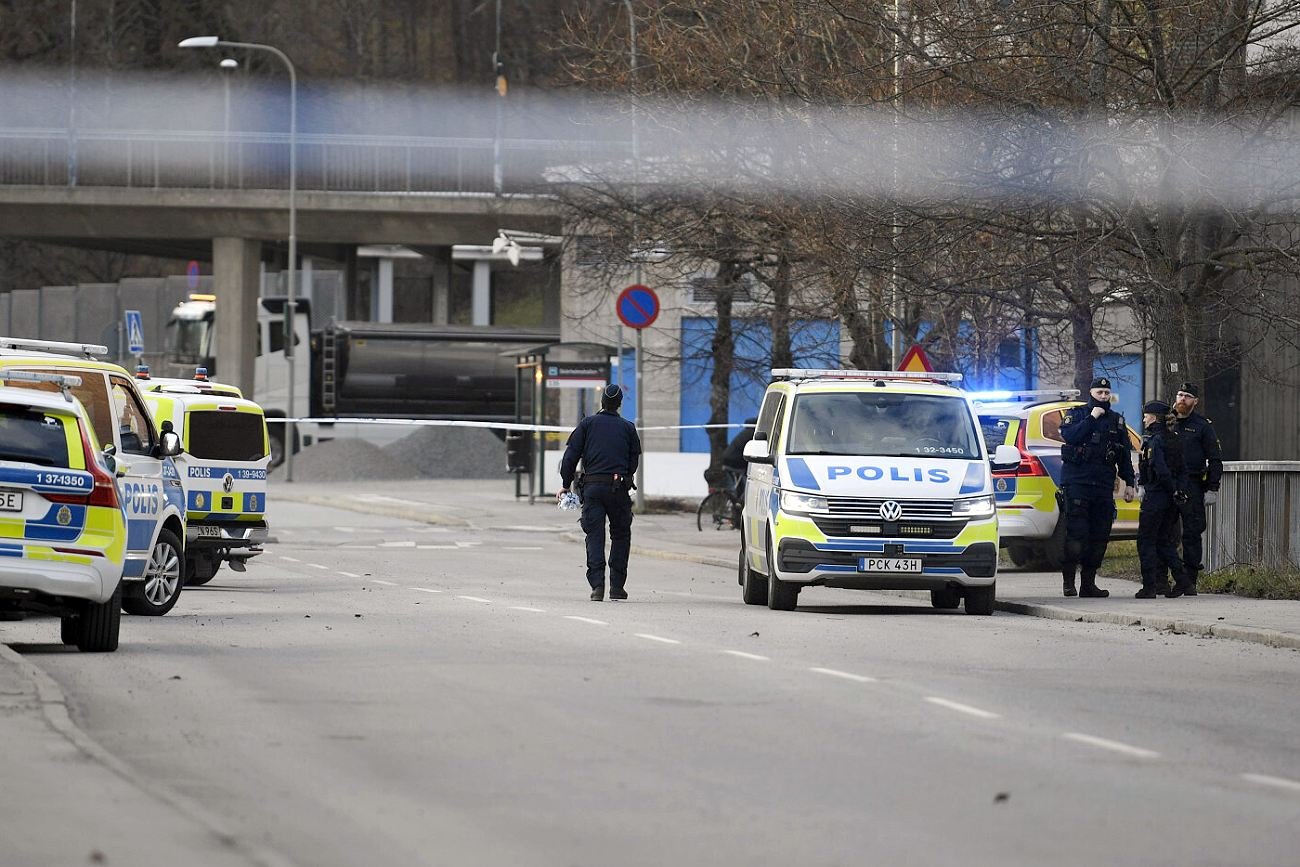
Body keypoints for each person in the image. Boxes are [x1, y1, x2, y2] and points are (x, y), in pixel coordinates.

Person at [558, 384, 642, 602]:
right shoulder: (628, 428)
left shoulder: (587, 424)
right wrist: (625, 475)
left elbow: (570, 458)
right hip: (619, 490)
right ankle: (617, 586)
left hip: (593, 489)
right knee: (621, 536)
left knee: (595, 536)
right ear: (620, 404)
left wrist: (566, 484)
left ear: (601, 403)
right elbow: (634, 460)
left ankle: (597, 586)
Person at [1058, 377, 1136, 598]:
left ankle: (1088, 584)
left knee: (1099, 536)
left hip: (1102, 486)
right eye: (1099, 392)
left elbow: (1123, 455)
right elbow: (1070, 435)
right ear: (1091, 393)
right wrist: (1091, 419)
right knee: (1076, 535)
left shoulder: (1116, 421)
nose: (1103, 397)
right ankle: (1068, 582)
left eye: (1106, 393)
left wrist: (1129, 482)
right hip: (1077, 484)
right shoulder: (1078, 414)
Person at [1170, 382, 1223, 595]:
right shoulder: (1167, 422)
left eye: (1187, 396)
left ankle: (1189, 581)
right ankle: (1163, 578)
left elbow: (1215, 459)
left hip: (1192, 484)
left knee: (1192, 533)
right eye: (1180, 394)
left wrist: (1213, 488)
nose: (1182, 399)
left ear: (1195, 401)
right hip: (1168, 484)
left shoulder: (1202, 426)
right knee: (1165, 533)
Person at [1135, 401, 1189, 599]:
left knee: (1146, 541)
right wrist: (1178, 491)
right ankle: (1182, 580)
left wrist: (1168, 488)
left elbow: (1159, 469)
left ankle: (1149, 587)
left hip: (1157, 495)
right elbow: (1183, 469)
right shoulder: (1174, 438)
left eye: (1146, 416)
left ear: (1154, 418)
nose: (1143, 419)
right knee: (1164, 541)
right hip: (1171, 499)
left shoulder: (1154, 440)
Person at [720, 417, 758, 502]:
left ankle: (736, 504)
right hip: (735, 462)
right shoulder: (753, 435)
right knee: (748, 482)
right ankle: (738, 503)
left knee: (738, 487)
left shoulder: (745, 432)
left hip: (727, 460)